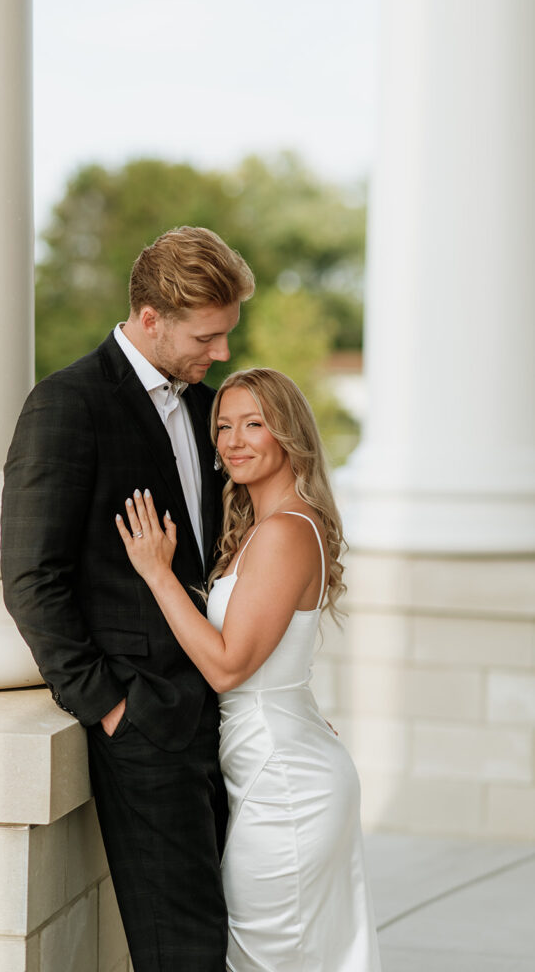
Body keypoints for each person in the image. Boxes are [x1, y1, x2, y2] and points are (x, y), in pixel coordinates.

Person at [0, 226, 255, 971]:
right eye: (207, 336)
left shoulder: (209, 409)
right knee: (183, 952)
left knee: (227, 933)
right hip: (143, 725)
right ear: (151, 319)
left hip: (222, 716)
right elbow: (31, 577)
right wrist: (110, 706)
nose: (222, 354)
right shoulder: (66, 405)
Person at [117, 367, 382, 972]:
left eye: (254, 424)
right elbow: (280, 664)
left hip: (285, 782)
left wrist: (158, 574)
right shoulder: (262, 530)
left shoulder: (285, 533)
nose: (234, 440)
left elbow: (230, 668)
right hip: (278, 759)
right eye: (225, 426)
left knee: (265, 956)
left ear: (289, 433)